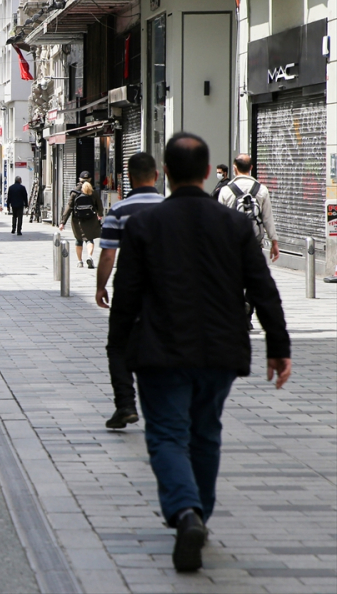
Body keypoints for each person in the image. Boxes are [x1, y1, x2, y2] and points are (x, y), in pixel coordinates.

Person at [108, 132, 291, 573]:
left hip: (160, 350)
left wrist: (117, 348)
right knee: (205, 432)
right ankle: (199, 515)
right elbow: (261, 287)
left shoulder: (144, 226)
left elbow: (126, 294)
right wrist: (278, 346)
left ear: (165, 173)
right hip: (219, 351)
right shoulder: (232, 225)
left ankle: (186, 512)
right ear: (209, 172)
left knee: (168, 435)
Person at [95, 152, 165, 430]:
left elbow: (108, 255)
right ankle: (162, 404)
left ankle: (125, 405)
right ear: (156, 176)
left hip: (129, 289)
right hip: (165, 289)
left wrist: (100, 286)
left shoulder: (119, 211)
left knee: (118, 347)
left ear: (130, 179)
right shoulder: (169, 207)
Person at [217, 154, 280, 262]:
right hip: (254, 246)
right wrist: (274, 242)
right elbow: (267, 218)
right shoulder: (261, 189)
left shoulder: (225, 190)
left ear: (234, 168)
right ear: (251, 168)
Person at [60, 172, 103, 269]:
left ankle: (80, 261)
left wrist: (63, 222)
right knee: (89, 239)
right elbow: (99, 205)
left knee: (79, 240)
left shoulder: (75, 192)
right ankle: (89, 256)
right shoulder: (93, 192)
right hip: (91, 219)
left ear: (80, 179)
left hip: (77, 220)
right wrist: (100, 214)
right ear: (90, 179)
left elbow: (69, 207)